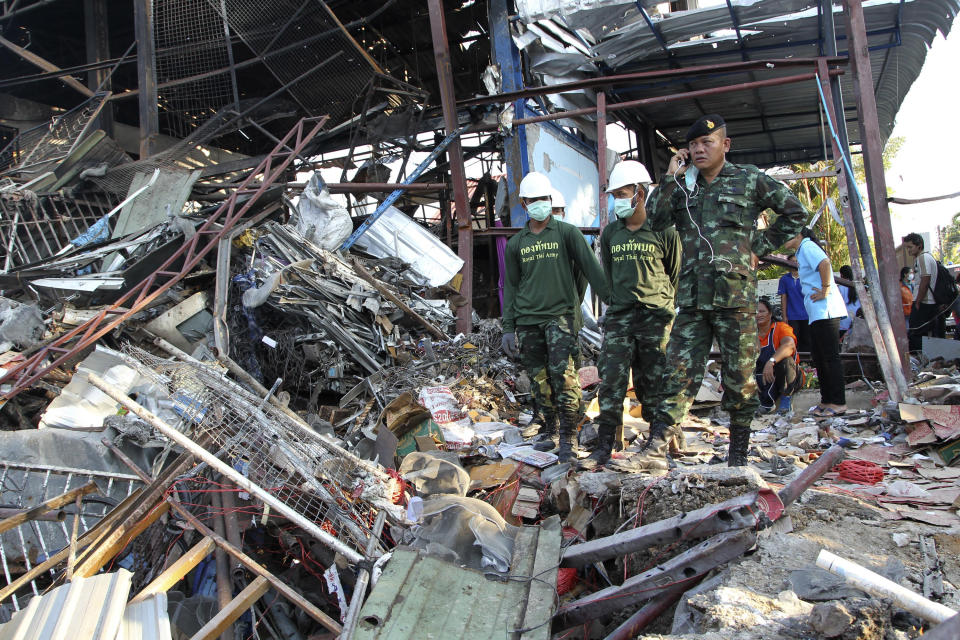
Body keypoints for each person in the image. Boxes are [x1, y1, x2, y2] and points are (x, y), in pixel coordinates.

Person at [635, 114, 808, 467]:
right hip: (693, 299)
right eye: (694, 145)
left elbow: (795, 212)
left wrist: (757, 245)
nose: (699, 149)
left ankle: (738, 452)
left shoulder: (748, 180)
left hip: (736, 299)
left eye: (707, 143)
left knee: (740, 375)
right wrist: (669, 178)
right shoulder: (684, 186)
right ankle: (655, 446)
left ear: (724, 145)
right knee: (677, 371)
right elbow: (652, 222)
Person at [501, 172, 610, 462]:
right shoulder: (516, 245)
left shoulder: (566, 233)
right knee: (539, 379)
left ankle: (569, 438)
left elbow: (592, 270)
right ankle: (550, 431)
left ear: (550, 200)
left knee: (565, 377)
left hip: (560, 317)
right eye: (533, 200)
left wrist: (614, 306)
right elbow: (511, 287)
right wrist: (508, 328)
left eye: (543, 199)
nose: (539, 204)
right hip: (527, 320)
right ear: (524, 204)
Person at [581, 161, 681, 470]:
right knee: (611, 380)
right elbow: (609, 276)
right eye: (614, 195)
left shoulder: (664, 229)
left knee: (654, 383)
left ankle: (656, 446)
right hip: (620, 317)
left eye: (621, 194)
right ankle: (604, 446)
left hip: (655, 316)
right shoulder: (611, 233)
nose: (616, 201)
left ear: (640, 193)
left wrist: (659, 303)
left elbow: (674, 273)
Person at [783, 229, 847, 416]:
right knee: (819, 357)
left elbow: (825, 263)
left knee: (830, 357)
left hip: (826, 310)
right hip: (816, 313)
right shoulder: (801, 251)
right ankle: (827, 400)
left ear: (799, 234)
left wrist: (825, 290)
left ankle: (838, 402)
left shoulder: (808, 246)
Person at [755, 298, 801, 415]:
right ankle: (765, 404)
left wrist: (771, 361)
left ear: (770, 313)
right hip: (763, 380)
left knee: (786, 360)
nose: (758, 315)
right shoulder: (750, 334)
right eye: (755, 312)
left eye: (762, 311)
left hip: (787, 377)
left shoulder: (780, 328)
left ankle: (785, 402)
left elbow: (789, 345)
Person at [902, 232, 945, 351]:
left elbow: (925, 280)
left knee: (915, 334)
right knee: (925, 334)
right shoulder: (928, 257)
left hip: (924, 302)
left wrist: (918, 302)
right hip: (928, 302)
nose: (909, 250)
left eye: (910, 247)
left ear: (919, 246)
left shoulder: (922, 258)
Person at [777, 265, 810, 352]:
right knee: (793, 339)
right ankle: (795, 362)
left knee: (807, 340)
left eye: (796, 261)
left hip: (807, 314)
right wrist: (784, 316)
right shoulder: (784, 279)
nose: (794, 263)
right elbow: (783, 297)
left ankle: (806, 363)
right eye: (792, 261)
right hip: (792, 315)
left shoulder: (806, 277)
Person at [837, 265, 860, 340]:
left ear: (842, 275)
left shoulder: (840, 288)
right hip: (856, 320)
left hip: (844, 322)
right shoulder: (858, 287)